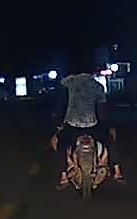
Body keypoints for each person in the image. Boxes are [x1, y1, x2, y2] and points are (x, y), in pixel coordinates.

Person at [51, 53, 124, 188]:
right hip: (92, 125)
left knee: (58, 142)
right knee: (110, 139)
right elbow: (102, 111)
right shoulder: (98, 86)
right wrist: (106, 124)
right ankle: (117, 171)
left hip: (72, 125)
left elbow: (61, 104)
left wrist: (58, 119)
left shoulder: (67, 83)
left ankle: (64, 176)